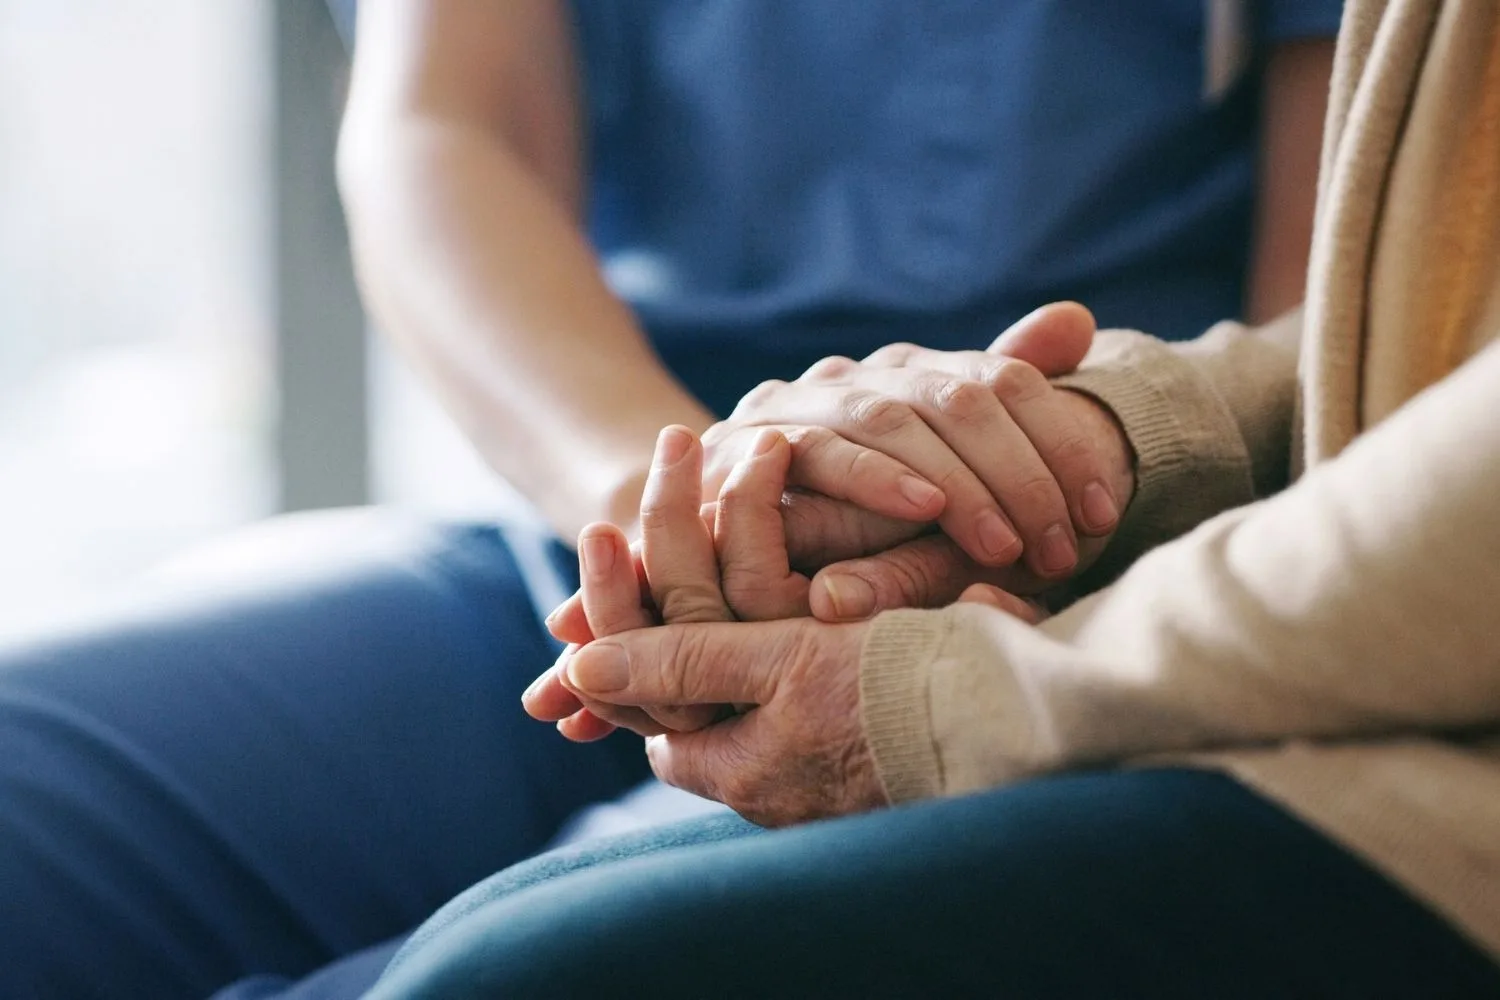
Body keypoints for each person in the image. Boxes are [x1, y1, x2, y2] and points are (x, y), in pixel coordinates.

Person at [0, 4, 1341, 999]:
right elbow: (444, 128)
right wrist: (674, 512)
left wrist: (1021, 531)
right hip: (589, 521)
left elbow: (1338, 313)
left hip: (1041, 588)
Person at [369, 0, 1500, 995]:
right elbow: (1400, 336)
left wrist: (957, 689)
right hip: (655, 525)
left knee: (504, 971)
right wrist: (1112, 430)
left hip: (1262, 663)